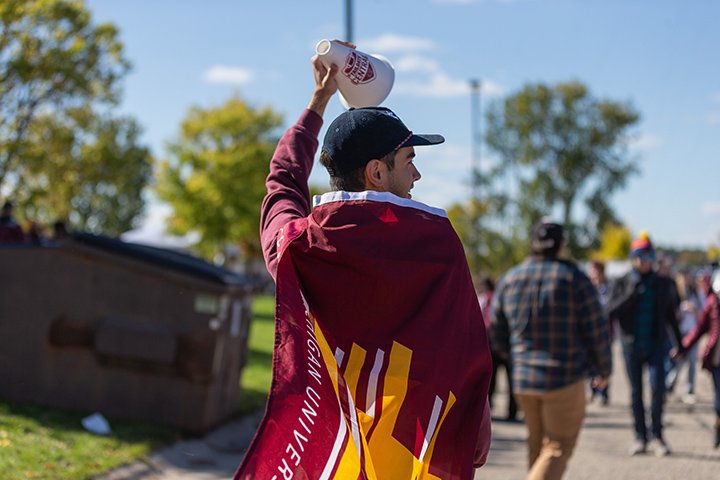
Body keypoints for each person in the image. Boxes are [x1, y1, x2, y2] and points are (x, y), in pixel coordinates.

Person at [235, 42, 492, 479]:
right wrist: (476, 437)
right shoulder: (438, 246)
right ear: (376, 172)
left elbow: (282, 184)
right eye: (409, 160)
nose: (417, 175)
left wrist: (316, 103)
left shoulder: (301, 248)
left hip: (331, 456)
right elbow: (466, 351)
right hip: (408, 455)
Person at [491, 219, 612, 480]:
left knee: (538, 445)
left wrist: (515, 360)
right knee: (558, 447)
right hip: (564, 378)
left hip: (523, 381)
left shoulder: (510, 279)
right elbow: (597, 329)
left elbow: (496, 332)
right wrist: (603, 368)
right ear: (561, 245)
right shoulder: (575, 279)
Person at [607, 232, 684, 457]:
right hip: (630, 346)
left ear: (653, 257)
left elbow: (671, 315)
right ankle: (640, 436)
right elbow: (609, 311)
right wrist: (630, 295)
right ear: (632, 258)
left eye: (648, 255)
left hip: (656, 345)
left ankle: (658, 435)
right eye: (639, 256)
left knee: (658, 389)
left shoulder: (663, 283)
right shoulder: (622, 282)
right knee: (636, 393)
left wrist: (680, 344)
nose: (644, 260)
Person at [675, 269, 720, 448]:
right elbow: (700, 328)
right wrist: (683, 347)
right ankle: (718, 426)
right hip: (717, 360)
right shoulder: (712, 304)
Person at [478, 274, 518, 421]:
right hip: (508, 344)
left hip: (490, 344)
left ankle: (488, 413)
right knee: (511, 381)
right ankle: (512, 412)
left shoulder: (484, 299)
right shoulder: (507, 298)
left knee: (490, 380)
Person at [665, 268, 701, 404]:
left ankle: (689, 389)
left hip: (693, 332)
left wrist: (694, 309)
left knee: (692, 362)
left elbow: (703, 314)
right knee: (678, 361)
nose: (686, 279)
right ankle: (668, 385)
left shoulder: (695, 293)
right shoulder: (675, 293)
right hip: (679, 333)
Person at [588, 260, 612, 406]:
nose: (593, 273)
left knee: (604, 360)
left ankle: (604, 393)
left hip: (606, 331)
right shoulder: (588, 287)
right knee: (591, 360)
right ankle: (593, 389)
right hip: (590, 331)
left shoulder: (609, 287)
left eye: (595, 270)